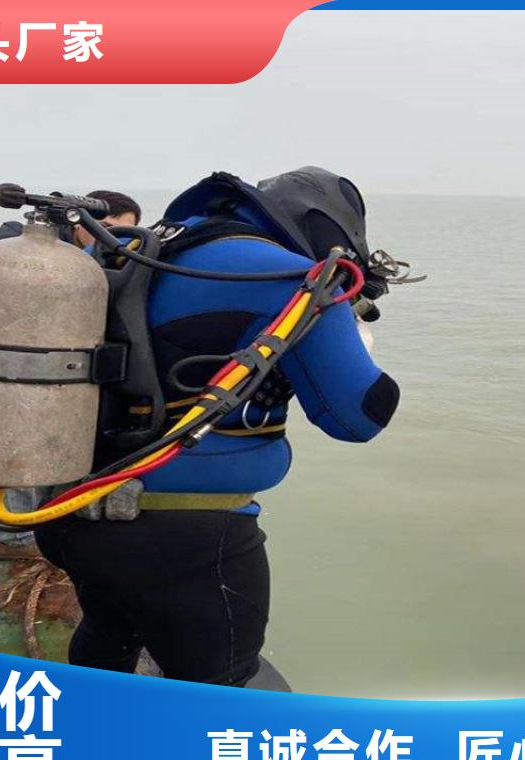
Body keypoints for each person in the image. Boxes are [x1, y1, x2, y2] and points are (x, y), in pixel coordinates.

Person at [33, 167, 401, 686]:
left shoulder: (145, 248)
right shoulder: (293, 278)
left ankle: (92, 730)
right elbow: (359, 417)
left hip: (72, 511)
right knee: (220, 687)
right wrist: (352, 329)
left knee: (107, 635)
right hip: (191, 542)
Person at [0, 189, 142, 561]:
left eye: (121, 230)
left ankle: (43, 527)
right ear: (79, 221)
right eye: (104, 225)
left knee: (51, 444)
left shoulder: (96, 262)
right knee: (14, 443)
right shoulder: (25, 249)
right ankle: (12, 539)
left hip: (54, 373)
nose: (109, 235)